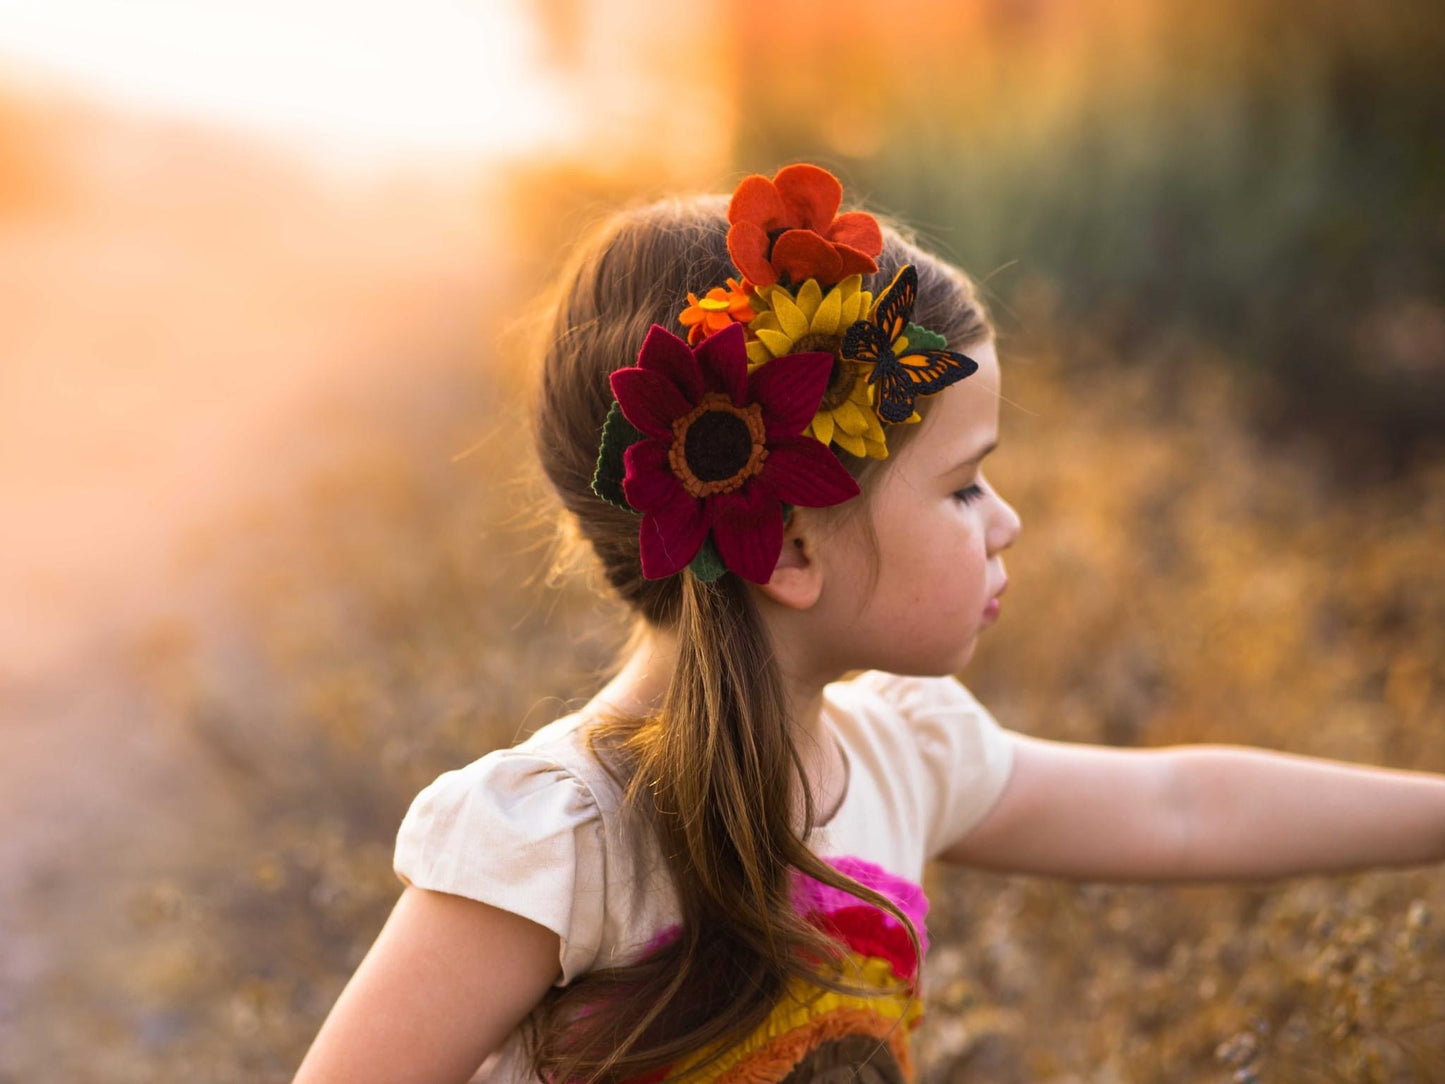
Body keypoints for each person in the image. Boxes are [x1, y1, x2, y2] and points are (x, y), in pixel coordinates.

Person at [293, 164, 1445, 1084]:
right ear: (788, 546)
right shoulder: (556, 844)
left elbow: (1176, 807)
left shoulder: (901, 754)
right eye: (962, 486)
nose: (1007, 520)